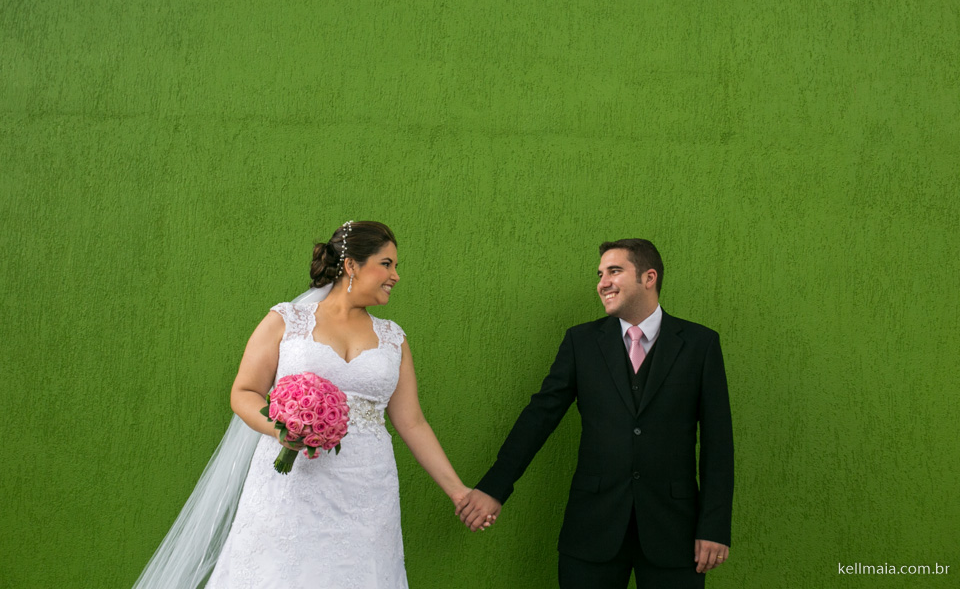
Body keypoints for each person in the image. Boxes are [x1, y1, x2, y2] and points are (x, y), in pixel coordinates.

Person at [135, 221, 491, 589]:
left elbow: (412, 422)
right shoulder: (286, 321)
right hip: (291, 486)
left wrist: (458, 491)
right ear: (352, 265)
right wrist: (281, 429)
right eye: (387, 264)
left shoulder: (393, 339)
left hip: (367, 489)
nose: (396, 276)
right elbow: (244, 392)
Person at [456, 239, 734, 588]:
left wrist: (714, 527)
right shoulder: (581, 343)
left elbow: (718, 444)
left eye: (614, 271)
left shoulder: (699, 344)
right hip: (592, 527)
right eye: (600, 273)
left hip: (675, 531)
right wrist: (494, 487)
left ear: (649, 278)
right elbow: (539, 417)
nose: (602, 282)